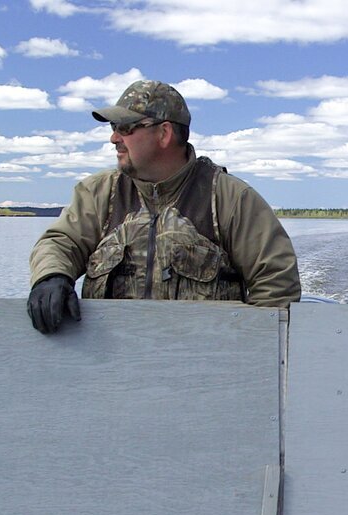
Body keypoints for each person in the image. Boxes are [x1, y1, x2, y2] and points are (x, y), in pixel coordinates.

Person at [27, 80, 301, 334]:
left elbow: (276, 285)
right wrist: (52, 276)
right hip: (110, 370)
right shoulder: (98, 193)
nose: (114, 139)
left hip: (204, 371)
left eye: (125, 128)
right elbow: (60, 242)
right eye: (113, 129)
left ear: (164, 132)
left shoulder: (229, 198)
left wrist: (247, 353)